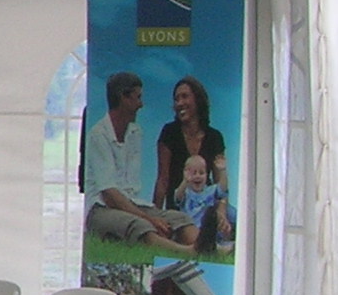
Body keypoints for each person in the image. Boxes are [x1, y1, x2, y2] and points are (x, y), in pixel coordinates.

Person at [86, 69, 185, 244]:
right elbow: (109, 195)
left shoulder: (135, 132)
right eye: (137, 97)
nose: (141, 104)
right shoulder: (98, 135)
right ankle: (188, 252)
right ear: (124, 98)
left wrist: (151, 214)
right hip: (102, 208)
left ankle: (207, 248)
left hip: (132, 204)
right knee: (139, 225)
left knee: (178, 219)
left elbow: (130, 190)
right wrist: (149, 219)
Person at [152, 74, 229, 212]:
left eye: (184, 96)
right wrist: (155, 216)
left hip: (207, 205)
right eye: (176, 99)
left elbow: (220, 183)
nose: (179, 103)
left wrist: (222, 212)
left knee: (231, 218)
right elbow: (163, 179)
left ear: (198, 100)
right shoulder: (169, 132)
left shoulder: (214, 137)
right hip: (179, 207)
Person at [172, 151, 232, 249]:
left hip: (209, 231)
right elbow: (177, 198)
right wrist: (185, 181)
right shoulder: (185, 192)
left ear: (206, 174)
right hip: (191, 231)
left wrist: (223, 171)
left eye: (201, 172)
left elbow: (223, 190)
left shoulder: (211, 190)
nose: (197, 176)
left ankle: (219, 245)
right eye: (193, 173)